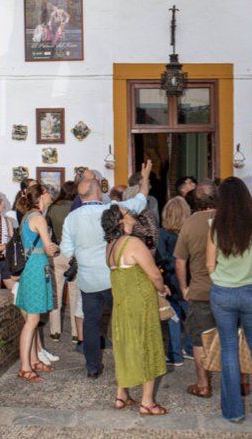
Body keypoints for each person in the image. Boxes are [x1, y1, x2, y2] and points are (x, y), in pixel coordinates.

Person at [60, 161, 153, 378]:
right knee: (122, 321)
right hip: (114, 276)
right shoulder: (112, 211)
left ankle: (93, 367)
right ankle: (128, 364)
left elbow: (66, 249)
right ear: (97, 191)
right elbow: (141, 199)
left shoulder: (72, 218)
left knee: (91, 323)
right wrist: (145, 176)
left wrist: (82, 256)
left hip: (87, 280)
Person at [206, 177, 252, 422]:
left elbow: (209, 263)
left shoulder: (215, 226)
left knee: (229, 348)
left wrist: (222, 278)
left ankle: (234, 412)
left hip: (223, 292)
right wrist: (249, 277)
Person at [101, 205, 169, 415]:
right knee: (147, 347)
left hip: (122, 304)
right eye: (126, 212)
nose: (131, 213)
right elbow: (154, 274)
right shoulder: (132, 243)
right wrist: (163, 288)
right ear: (121, 221)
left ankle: (121, 394)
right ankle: (147, 402)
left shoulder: (111, 246)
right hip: (141, 304)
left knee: (125, 347)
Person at [174, 179, 217, 398]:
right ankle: (239, 381)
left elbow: (180, 260)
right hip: (228, 288)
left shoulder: (190, 223)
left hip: (200, 289)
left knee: (199, 339)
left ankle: (203, 383)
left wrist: (184, 287)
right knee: (233, 336)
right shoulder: (228, 219)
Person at [15, 184, 58, 382]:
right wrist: (56, 248)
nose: (50, 195)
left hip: (31, 267)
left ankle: (32, 360)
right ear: (41, 196)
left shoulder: (27, 216)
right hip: (35, 268)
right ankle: (25, 367)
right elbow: (49, 249)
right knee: (32, 320)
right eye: (48, 192)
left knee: (31, 318)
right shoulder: (39, 218)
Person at [156, 196, 193, 366]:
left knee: (173, 316)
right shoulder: (189, 233)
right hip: (189, 277)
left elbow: (161, 258)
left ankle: (175, 353)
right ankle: (191, 349)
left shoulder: (162, 234)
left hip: (170, 278)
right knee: (190, 315)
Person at [46, 181, 77, 343]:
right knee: (75, 294)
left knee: (55, 294)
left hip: (57, 252)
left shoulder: (52, 208)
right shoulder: (77, 208)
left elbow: (48, 228)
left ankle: (55, 331)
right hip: (74, 254)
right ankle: (75, 332)